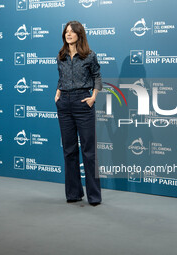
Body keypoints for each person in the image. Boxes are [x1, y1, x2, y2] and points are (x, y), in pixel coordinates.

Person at [55, 21, 102, 206]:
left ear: (79, 35)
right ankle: (73, 193)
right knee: (69, 150)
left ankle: (94, 196)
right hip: (64, 104)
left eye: (72, 32)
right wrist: (58, 93)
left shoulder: (89, 56)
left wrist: (93, 97)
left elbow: (97, 77)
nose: (68, 35)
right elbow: (61, 78)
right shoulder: (61, 56)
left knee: (88, 152)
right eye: (66, 32)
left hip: (83, 103)